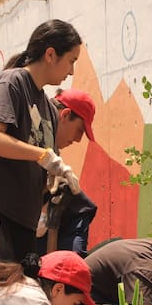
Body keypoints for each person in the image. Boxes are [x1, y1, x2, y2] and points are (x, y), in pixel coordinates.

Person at [0, 19, 83, 263]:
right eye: (71, 61)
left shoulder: (48, 108)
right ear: (51, 54)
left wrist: (53, 189)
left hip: (20, 216)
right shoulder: (12, 83)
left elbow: (41, 167)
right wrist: (42, 155)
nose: (72, 71)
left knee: (19, 293)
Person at [37, 89, 98, 256]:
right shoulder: (31, 128)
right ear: (65, 115)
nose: (78, 139)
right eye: (79, 130)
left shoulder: (52, 147)